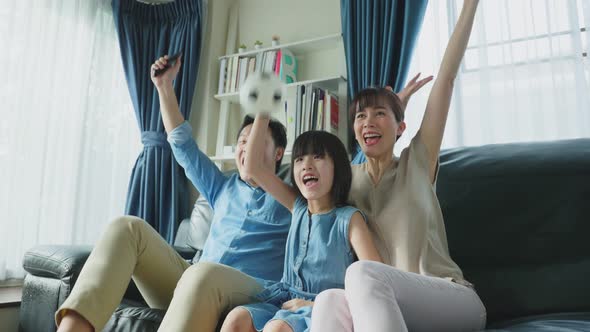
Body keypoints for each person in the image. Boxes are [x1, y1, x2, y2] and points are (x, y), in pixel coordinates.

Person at [56, 55, 292, 332]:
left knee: (204, 274)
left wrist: (263, 107)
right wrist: (164, 87)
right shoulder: (222, 186)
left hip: (250, 295)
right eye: (242, 141)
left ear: (278, 153)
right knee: (127, 227)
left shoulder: (293, 200)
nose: (245, 148)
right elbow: (182, 145)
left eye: (255, 140)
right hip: (192, 282)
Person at [309, 1, 486, 331]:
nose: (367, 121)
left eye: (378, 114)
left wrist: (468, 8)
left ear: (401, 128)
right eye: (360, 116)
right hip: (391, 307)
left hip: (449, 298)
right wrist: (388, 111)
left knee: (361, 273)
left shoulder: (417, 160)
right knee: (328, 300)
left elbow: (445, 79)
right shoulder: (348, 182)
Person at [219, 113, 381, 332]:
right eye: (299, 159)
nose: (306, 165)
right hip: (283, 300)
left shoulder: (349, 219)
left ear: (338, 168)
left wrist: (314, 304)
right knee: (236, 318)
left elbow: (377, 281)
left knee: (276, 329)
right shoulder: (298, 208)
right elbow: (253, 166)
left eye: (317, 157)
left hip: (325, 308)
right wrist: (263, 112)